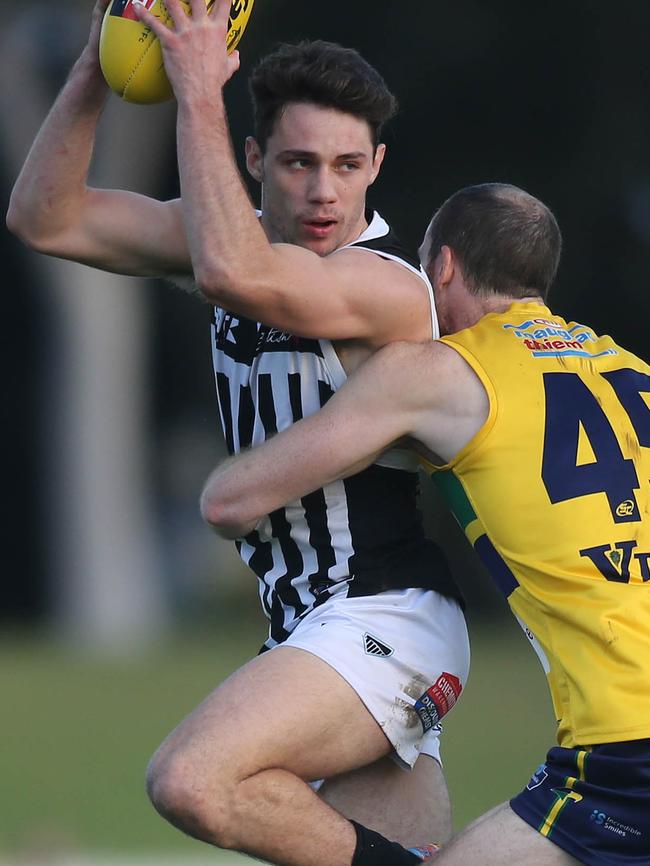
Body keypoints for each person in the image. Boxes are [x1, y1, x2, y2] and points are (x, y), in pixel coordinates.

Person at [6, 0, 470, 863]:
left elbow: (234, 271)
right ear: (255, 160)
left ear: (376, 166)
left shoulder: (388, 287)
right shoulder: (234, 240)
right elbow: (44, 217)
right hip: (307, 628)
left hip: (387, 617)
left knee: (191, 779)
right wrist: (97, 65)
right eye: (297, 163)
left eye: (344, 164)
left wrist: (194, 88)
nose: (324, 190)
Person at [202, 181, 650, 866]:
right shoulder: (632, 371)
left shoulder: (442, 373)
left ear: (440, 267)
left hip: (626, 746)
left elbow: (233, 499)